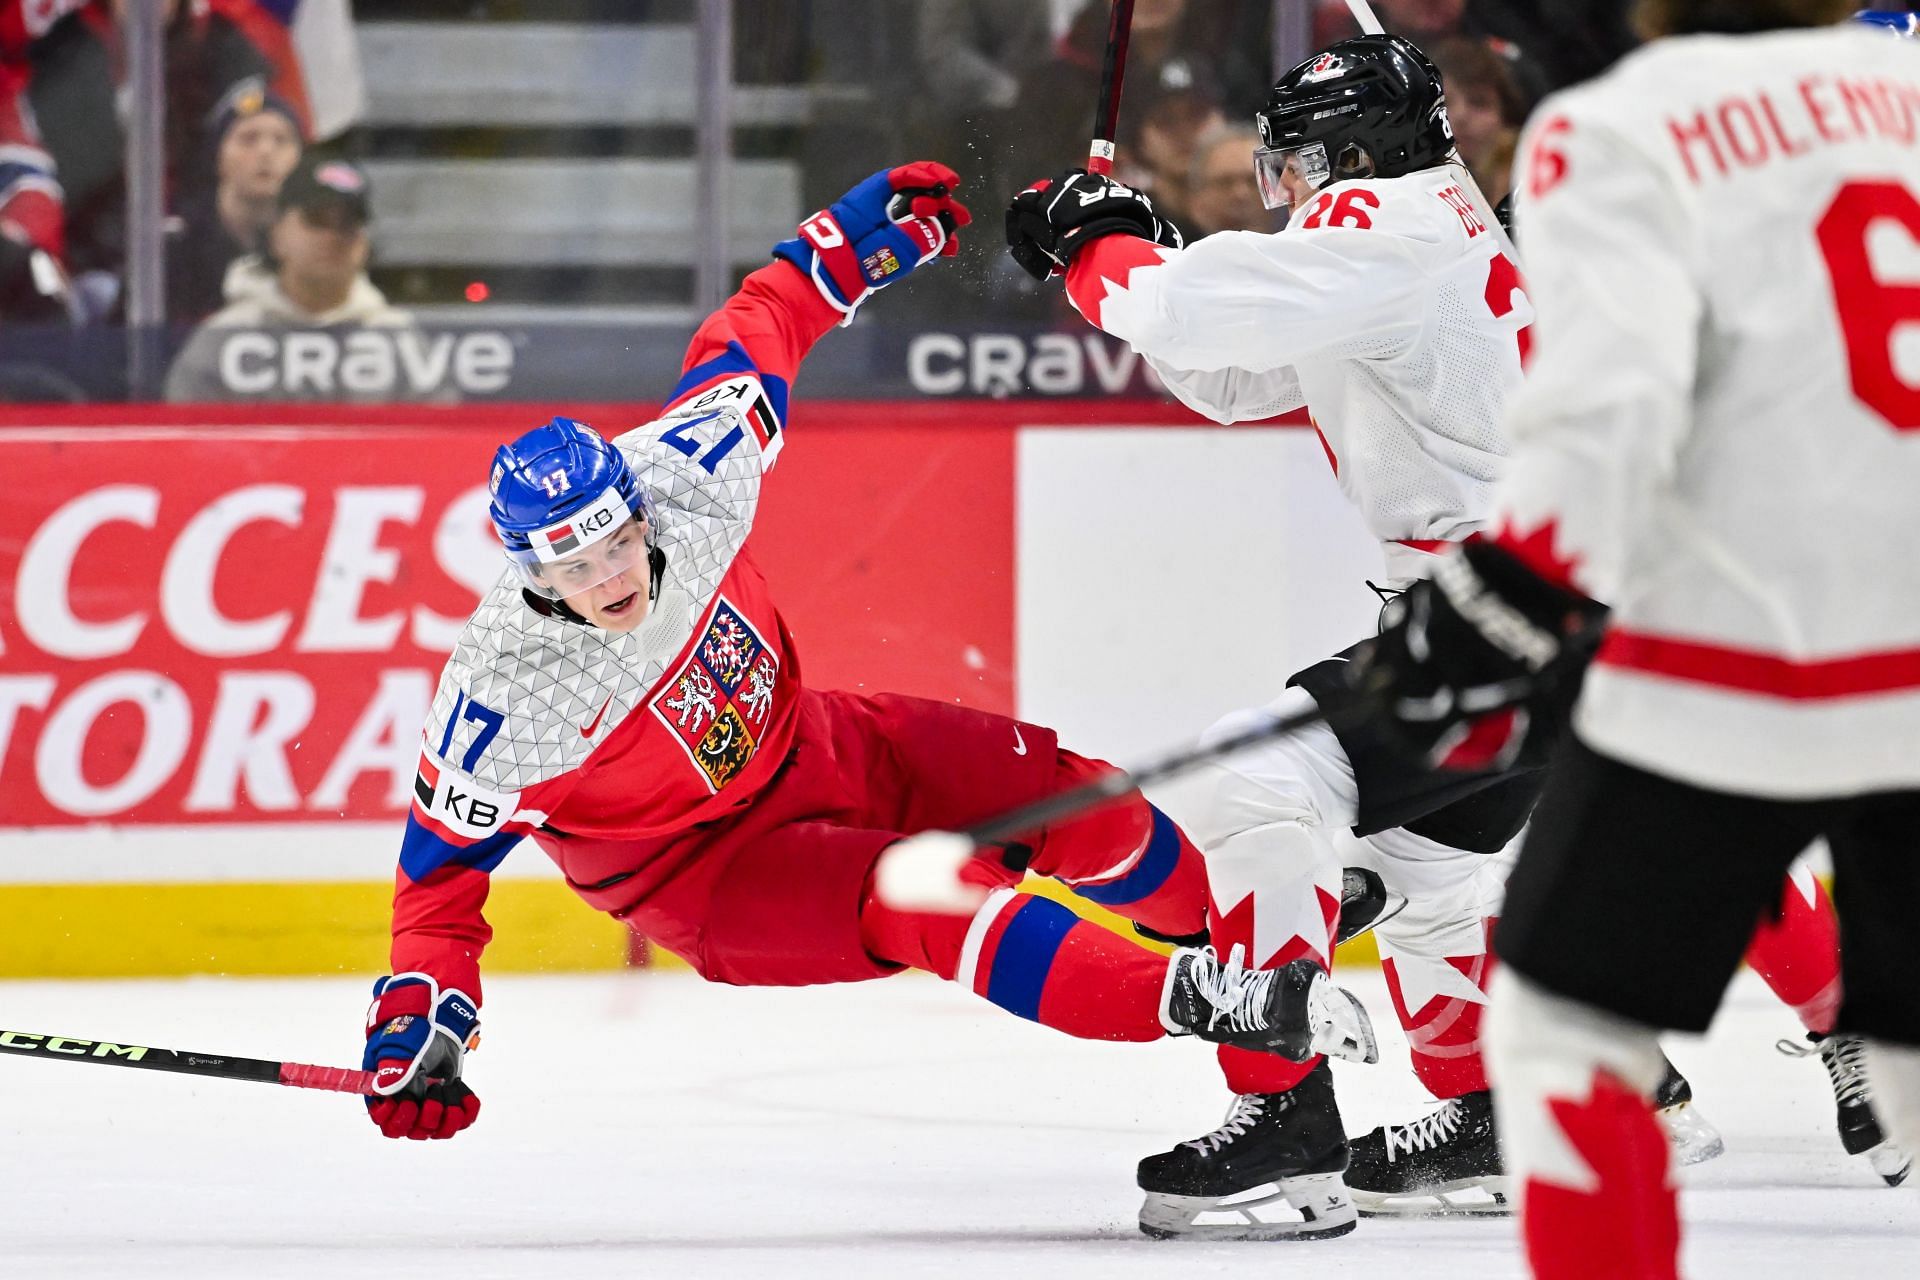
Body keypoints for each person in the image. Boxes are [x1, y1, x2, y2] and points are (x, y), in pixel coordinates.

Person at [354, 160, 1381, 1229]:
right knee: (927, 891)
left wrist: (838, 250)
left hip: (822, 742)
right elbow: (435, 895)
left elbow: (757, 328)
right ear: (530, 574)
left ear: (638, 508)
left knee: (1077, 797)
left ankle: (1250, 967)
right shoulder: (502, 701)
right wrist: (421, 1018)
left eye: (617, 542)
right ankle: (1209, 997)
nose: (609, 577)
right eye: (573, 570)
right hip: (711, 873)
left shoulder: (689, 471)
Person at [1002, 28, 1895, 1227]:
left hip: (1506, 619)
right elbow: (1225, 371)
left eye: (1302, 165)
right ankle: (1497, 1109)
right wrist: (1129, 254)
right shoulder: (1424, 228)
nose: (1292, 190)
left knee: (1258, 783)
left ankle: (1285, 1115)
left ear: (1355, 155)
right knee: (1435, 875)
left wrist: (1101, 248)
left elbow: (1194, 315)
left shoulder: (1384, 228)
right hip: (1548, 603)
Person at [1348, 2, 1920, 1272]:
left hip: (1761, 641)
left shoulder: (1617, 127)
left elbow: (1606, 426)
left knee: (1569, 1029)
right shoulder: (1903, 83)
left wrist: (1489, 603)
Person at [164, 157, 421, 402]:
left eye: (347, 225)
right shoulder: (224, 339)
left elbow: (433, 439)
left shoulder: (401, 341)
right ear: (277, 235)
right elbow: (187, 437)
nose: (332, 236)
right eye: (316, 220)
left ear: (364, 245)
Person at [166, 74, 304, 324]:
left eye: (281, 140)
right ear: (218, 157)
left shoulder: (316, 239)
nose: (265, 152)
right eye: (248, 138)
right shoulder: (175, 247)